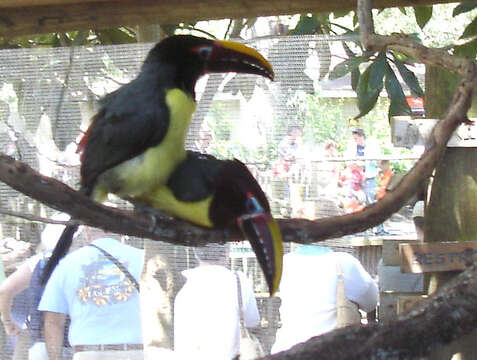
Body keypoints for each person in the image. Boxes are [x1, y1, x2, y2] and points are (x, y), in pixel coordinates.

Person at [38, 228, 144, 360]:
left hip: (88, 353)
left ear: (87, 232)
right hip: (137, 352)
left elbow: (52, 321)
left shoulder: (67, 264)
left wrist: (55, 358)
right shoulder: (143, 259)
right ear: (122, 231)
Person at [271, 245, 378, 354]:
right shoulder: (344, 262)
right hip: (332, 351)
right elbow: (371, 302)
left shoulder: (283, 262)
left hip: (286, 350)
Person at [0, 214, 74, 360]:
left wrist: (8, 322)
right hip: (79, 342)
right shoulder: (83, 260)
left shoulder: (39, 261)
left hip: (40, 339)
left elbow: (5, 290)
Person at [174, 244, 260, 360]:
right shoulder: (239, 281)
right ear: (226, 251)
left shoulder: (181, 281)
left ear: (195, 252)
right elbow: (252, 321)